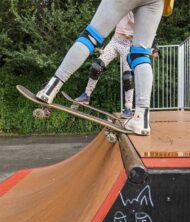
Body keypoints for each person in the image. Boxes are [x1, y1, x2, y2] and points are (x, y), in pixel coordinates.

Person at [35, 0, 174, 136]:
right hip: (151, 7)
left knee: (90, 37)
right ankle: (141, 118)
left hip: (128, 44)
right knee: (140, 56)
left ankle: (50, 89)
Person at [74, 12, 134, 119]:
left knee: (127, 77)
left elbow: (149, 25)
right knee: (96, 67)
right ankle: (86, 95)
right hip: (115, 41)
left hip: (129, 45)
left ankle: (128, 108)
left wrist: (153, 45)